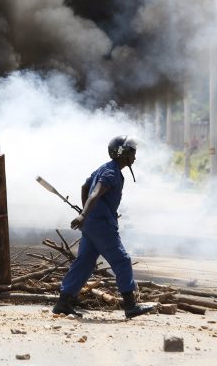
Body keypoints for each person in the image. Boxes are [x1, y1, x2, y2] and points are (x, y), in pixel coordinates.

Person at [52, 135, 155, 319]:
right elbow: (96, 192)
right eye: (133, 152)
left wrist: (86, 214)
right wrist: (84, 214)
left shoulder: (105, 168)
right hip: (101, 225)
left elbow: (85, 186)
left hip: (92, 224)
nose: (135, 157)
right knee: (122, 260)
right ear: (123, 153)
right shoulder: (112, 173)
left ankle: (63, 302)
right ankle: (131, 305)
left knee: (85, 262)